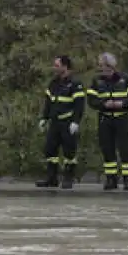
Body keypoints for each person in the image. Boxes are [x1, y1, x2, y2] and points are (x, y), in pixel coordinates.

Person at [86, 52, 128, 191]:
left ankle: (127, 180)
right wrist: (104, 104)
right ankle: (111, 179)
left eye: (105, 66)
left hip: (122, 118)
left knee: (125, 149)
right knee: (107, 148)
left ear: (112, 66)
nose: (103, 69)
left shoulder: (125, 79)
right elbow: (91, 100)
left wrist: (122, 103)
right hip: (105, 118)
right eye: (101, 66)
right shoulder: (97, 81)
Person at [36, 56, 85, 189]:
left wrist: (76, 121)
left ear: (65, 67)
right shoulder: (54, 83)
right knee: (50, 150)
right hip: (55, 122)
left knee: (69, 152)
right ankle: (52, 178)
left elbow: (79, 105)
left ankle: (68, 178)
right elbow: (48, 103)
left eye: (57, 65)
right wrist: (44, 119)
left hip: (68, 122)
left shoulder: (75, 83)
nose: (54, 68)